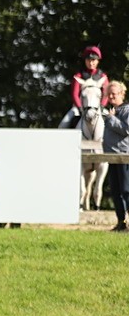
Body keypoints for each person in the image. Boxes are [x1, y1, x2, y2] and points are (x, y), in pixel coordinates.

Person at [59, 46, 109, 129]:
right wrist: (79, 107)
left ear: (97, 61)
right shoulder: (78, 76)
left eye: (93, 60)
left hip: (98, 108)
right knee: (63, 125)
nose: (91, 63)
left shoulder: (103, 76)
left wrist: (102, 106)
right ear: (85, 61)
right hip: (80, 108)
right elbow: (75, 94)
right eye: (88, 60)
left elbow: (106, 94)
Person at [102, 80, 129, 232]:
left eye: (114, 93)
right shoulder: (112, 111)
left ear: (121, 94)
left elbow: (127, 129)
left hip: (124, 156)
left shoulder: (126, 110)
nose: (111, 96)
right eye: (109, 93)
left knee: (126, 190)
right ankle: (121, 222)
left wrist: (111, 119)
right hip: (112, 157)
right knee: (115, 191)